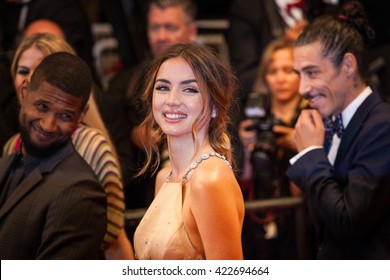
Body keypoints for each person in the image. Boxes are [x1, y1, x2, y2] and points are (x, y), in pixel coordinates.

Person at [2, 33, 133, 260]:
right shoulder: (10, 153)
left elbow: (112, 237)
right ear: (24, 88)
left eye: (63, 114)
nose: (48, 124)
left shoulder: (87, 155)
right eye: (23, 71)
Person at [287, 1, 390, 259]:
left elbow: (348, 222)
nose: (302, 88)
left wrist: (310, 153)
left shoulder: (383, 126)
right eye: (299, 74)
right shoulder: (328, 123)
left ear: (347, 65)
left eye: (312, 72)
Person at [133, 43, 245, 260]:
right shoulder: (165, 177)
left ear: (214, 106)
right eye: (163, 87)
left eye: (189, 89)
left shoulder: (209, 179)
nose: (172, 100)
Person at [99, 0, 198, 220]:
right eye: (155, 27)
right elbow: (112, 155)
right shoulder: (123, 84)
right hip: (141, 201)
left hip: (199, 193)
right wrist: (132, 136)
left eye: (170, 27)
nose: (162, 36)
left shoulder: (212, 80)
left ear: (191, 31)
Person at [238, 36, 310, 259]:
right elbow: (244, 181)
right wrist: (246, 147)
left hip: (303, 216)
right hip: (262, 211)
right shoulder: (255, 117)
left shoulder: (313, 116)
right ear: (265, 77)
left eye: (288, 70)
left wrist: (301, 144)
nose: (280, 78)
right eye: (273, 71)